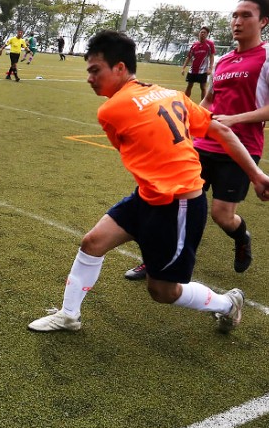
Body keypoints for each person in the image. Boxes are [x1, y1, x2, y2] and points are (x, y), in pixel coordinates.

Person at [28, 31, 269, 334]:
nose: (89, 78)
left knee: (163, 292)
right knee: (92, 243)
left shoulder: (111, 110)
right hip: (150, 196)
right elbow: (221, 130)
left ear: (119, 68)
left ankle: (226, 304)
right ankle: (68, 315)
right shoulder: (171, 94)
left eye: (95, 70)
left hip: (179, 203)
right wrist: (256, 174)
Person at [128, 0, 269, 281]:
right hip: (203, 144)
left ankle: (241, 238)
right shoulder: (225, 60)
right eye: (235, 15)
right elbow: (207, 100)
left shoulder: (266, 58)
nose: (237, 22)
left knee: (222, 216)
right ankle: (156, 258)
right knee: (170, 201)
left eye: (246, 16)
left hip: (240, 148)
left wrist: (234, 120)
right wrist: (185, 125)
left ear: (264, 22)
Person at [181, 26, 216, 100]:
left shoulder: (210, 44)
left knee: (203, 87)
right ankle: (185, 102)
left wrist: (210, 68)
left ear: (207, 34)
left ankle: (202, 106)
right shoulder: (194, 45)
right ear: (199, 33)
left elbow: (211, 57)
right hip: (193, 69)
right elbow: (189, 57)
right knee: (189, 86)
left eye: (204, 33)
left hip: (203, 70)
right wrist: (183, 68)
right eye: (201, 32)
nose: (202, 34)